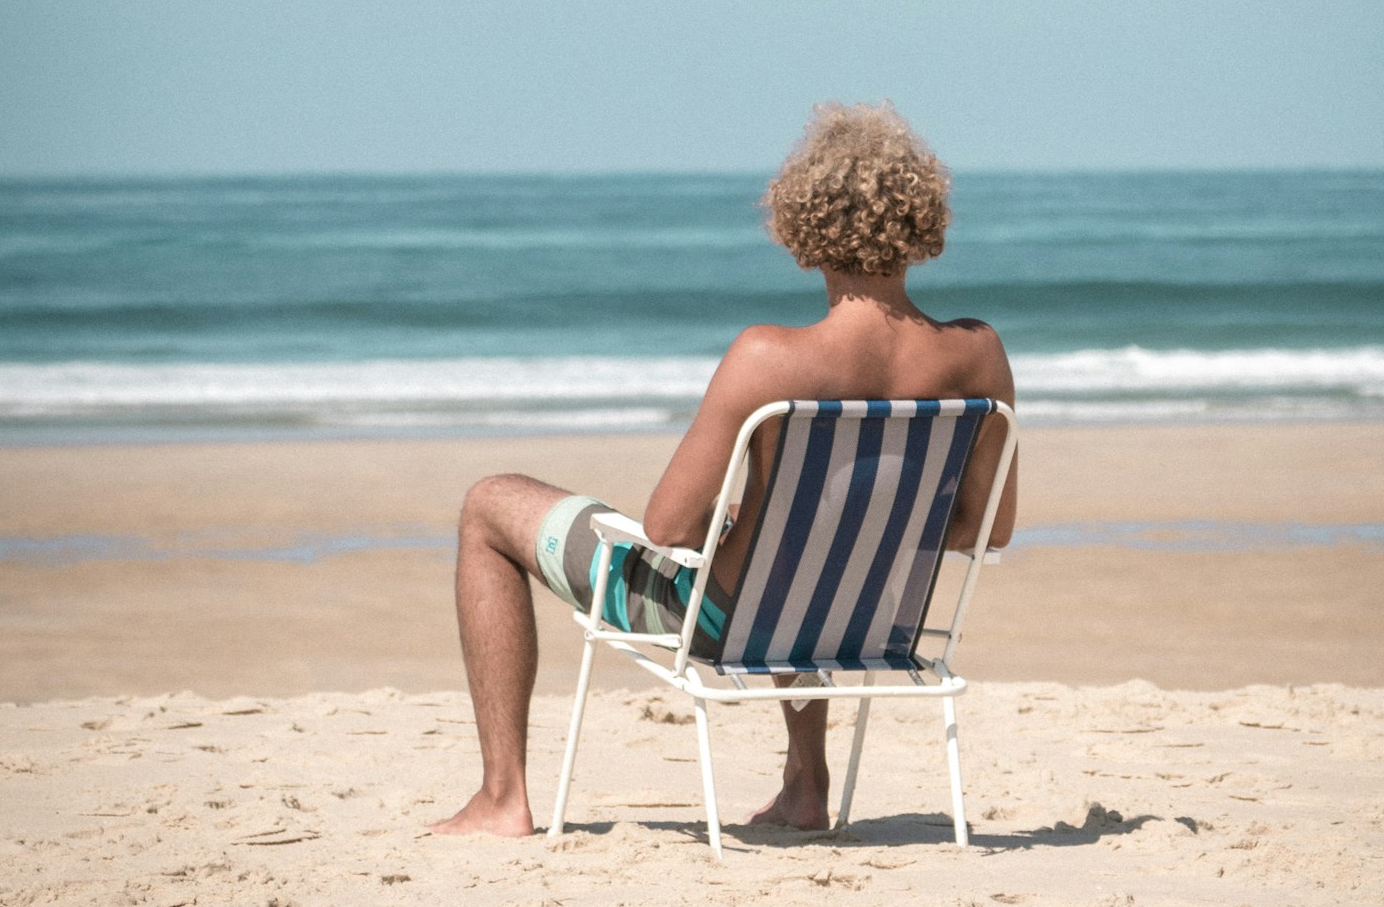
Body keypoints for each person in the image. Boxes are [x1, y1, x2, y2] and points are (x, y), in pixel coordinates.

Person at [432, 102, 1017, 838]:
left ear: (803, 229)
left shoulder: (768, 358)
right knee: (804, 552)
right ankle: (806, 785)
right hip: (860, 617)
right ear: (921, 219)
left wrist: (733, 524)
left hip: (727, 623)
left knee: (489, 505)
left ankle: (502, 796)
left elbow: (667, 527)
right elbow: (986, 526)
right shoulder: (980, 354)